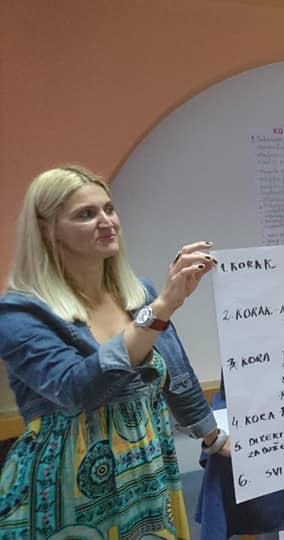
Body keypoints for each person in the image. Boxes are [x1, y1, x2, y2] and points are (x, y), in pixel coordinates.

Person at [0, 165, 230, 539]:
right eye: (85, 214)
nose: (106, 222)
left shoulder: (138, 294)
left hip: (148, 480)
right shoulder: (19, 314)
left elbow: (177, 377)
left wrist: (213, 437)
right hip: (62, 495)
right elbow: (78, 389)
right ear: (46, 228)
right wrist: (161, 309)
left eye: (108, 209)